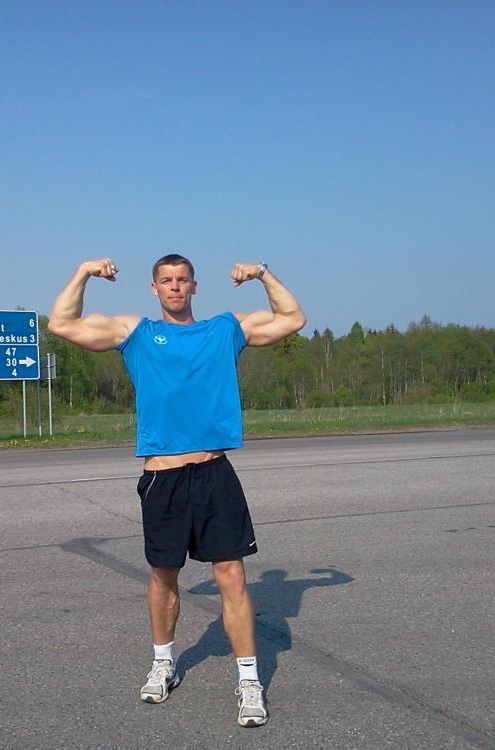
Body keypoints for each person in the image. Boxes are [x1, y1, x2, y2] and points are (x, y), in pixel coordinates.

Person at [47, 254, 306, 727]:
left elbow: (292, 318)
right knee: (163, 575)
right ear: (154, 288)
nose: (174, 287)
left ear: (194, 286)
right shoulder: (136, 333)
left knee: (232, 576)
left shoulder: (223, 330)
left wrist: (263, 274)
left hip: (213, 473)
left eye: (182, 280)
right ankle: (163, 663)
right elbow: (62, 323)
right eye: (166, 280)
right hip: (162, 477)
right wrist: (83, 271)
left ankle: (249, 681)